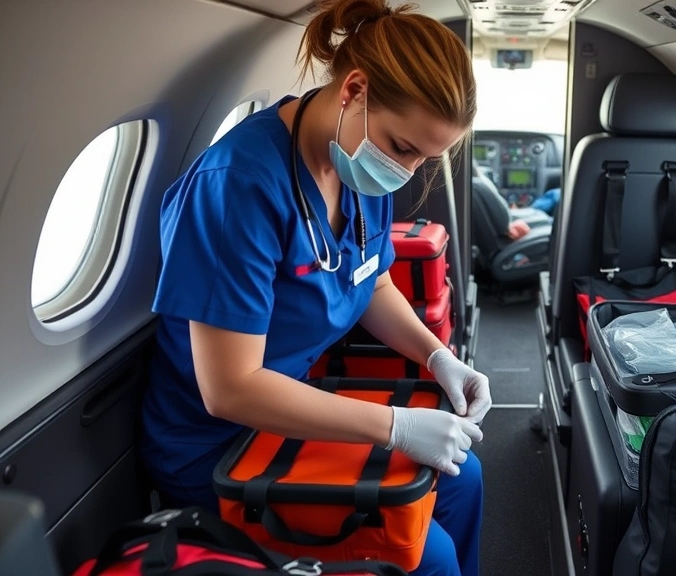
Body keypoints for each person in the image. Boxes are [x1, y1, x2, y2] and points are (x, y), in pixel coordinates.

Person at [138, 1, 491, 575]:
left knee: (463, 476)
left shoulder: (359, 163)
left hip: (294, 421)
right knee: (429, 559)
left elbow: (371, 282)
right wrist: (397, 427)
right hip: (216, 449)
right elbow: (230, 388)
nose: (405, 171)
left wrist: (436, 355)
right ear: (354, 88)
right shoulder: (237, 186)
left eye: (426, 159)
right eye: (404, 148)